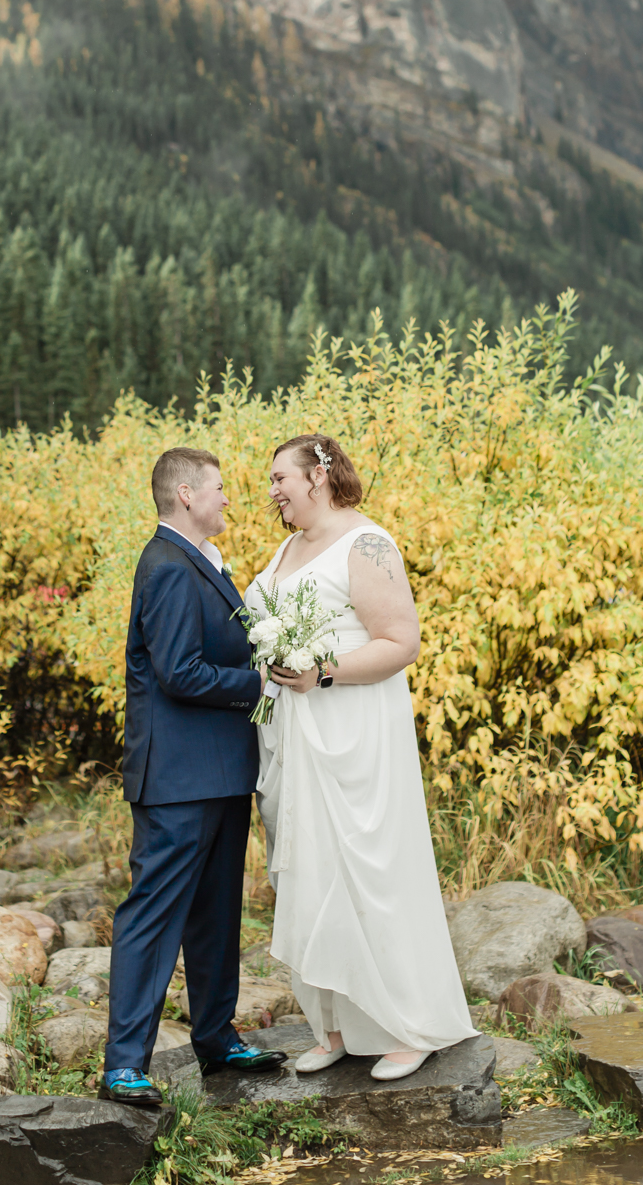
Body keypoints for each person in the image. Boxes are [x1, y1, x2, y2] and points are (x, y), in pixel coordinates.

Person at [246, 433, 474, 1082]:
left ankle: (407, 1024)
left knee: (368, 867)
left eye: (280, 478)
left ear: (316, 475)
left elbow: (401, 641)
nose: (273, 492)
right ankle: (338, 1024)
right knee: (309, 873)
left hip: (353, 727)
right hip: (292, 733)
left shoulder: (368, 543)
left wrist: (320, 671)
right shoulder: (288, 546)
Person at [100, 446, 288, 1106]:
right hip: (178, 778)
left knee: (215, 915)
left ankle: (215, 1038)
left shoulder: (201, 563)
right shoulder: (169, 568)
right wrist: (257, 683)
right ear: (186, 494)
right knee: (152, 916)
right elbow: (179, 672)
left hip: (220, 773)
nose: (228, 498)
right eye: (218, 488)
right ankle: (124, 1064)